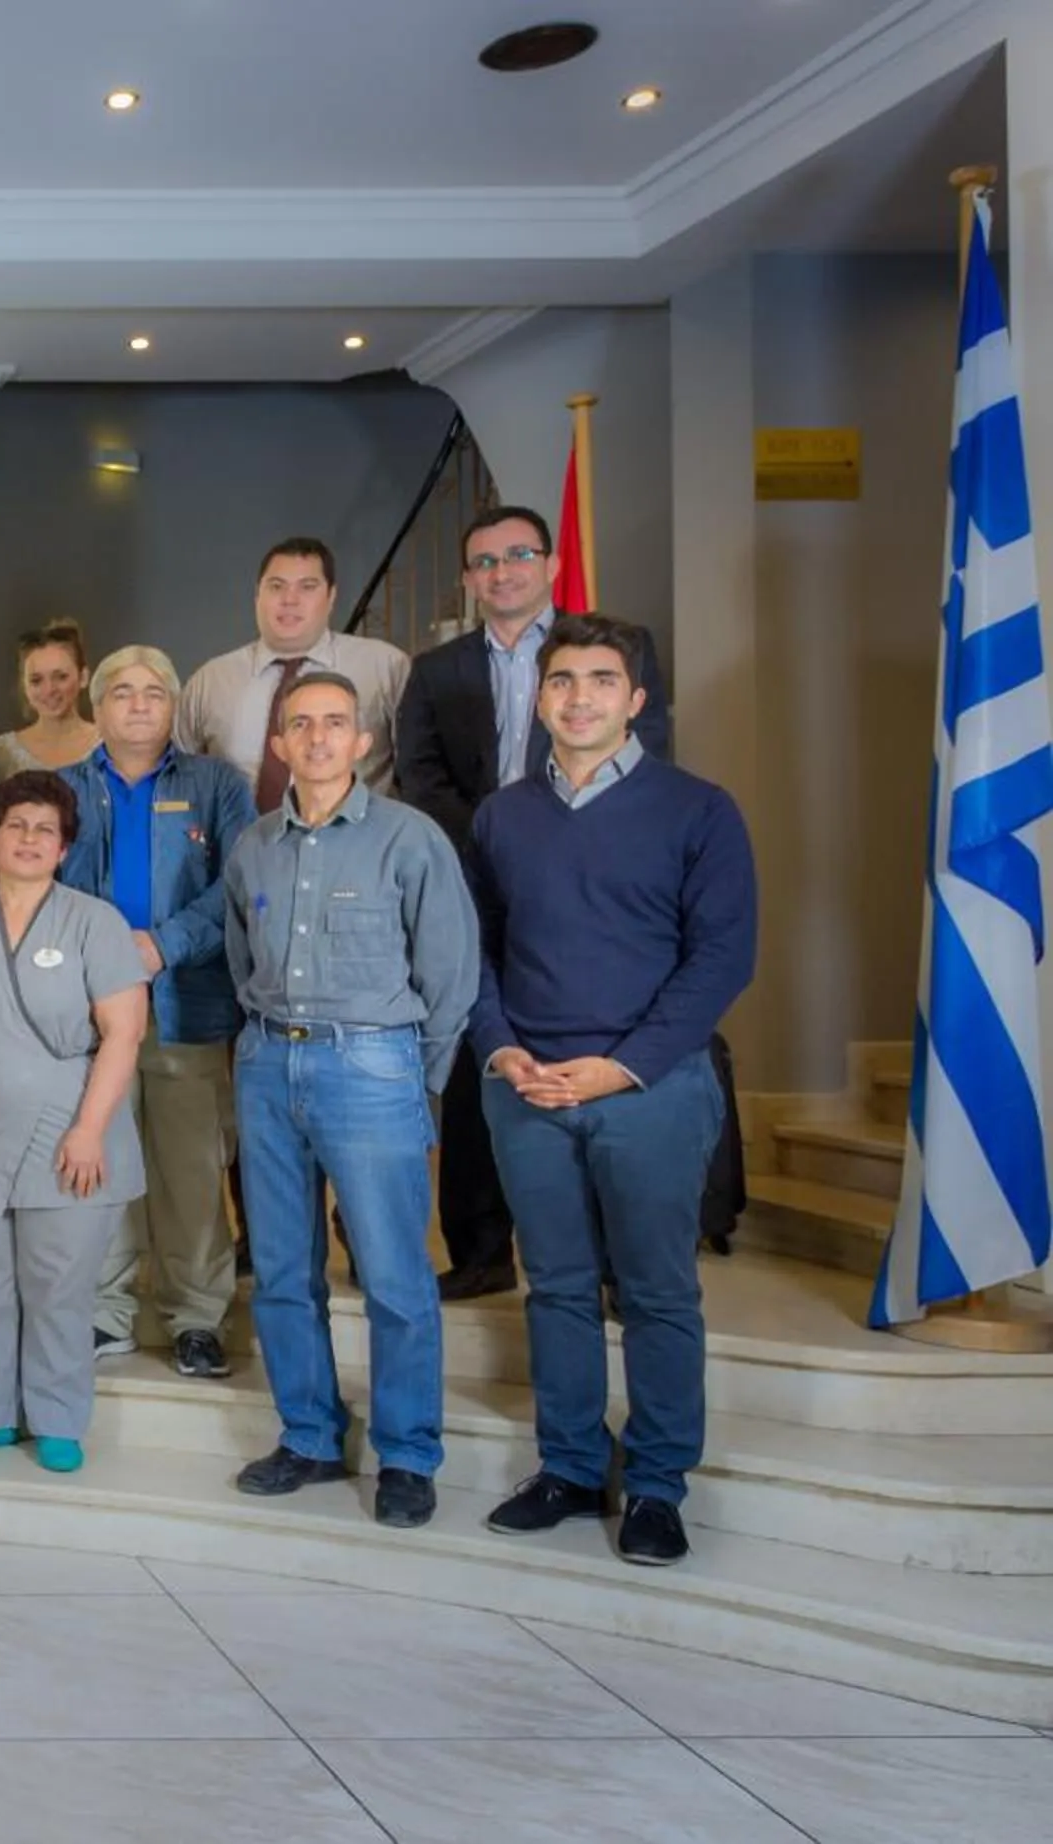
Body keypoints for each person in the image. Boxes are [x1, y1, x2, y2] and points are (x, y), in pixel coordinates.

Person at [472, 615, 756, 1568]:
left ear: (636, 700)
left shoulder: (699, 810)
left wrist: (624, 1066)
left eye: (601, 679)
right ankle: (571, 1467)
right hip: (530, 1091)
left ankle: (661, 1485)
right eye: (561, 679)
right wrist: (505, 1055)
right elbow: (475, 952)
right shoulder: (503, 816)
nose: (579, 696)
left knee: (656, 1291)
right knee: (553, 1286)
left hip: (651, 1090)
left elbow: (723, 958)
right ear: (541, 696)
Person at [395, 507, 676, 1302]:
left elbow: (646, 749)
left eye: (519, 555)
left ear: (549, 564)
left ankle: (617, 1265)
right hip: (481, 879)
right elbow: (422, 776)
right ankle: (482, 1251)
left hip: (598, 874)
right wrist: (499, 837)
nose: (502, 571)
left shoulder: (609, 650)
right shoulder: (438, 668)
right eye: (484, 561)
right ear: (468, 579)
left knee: (599, 1053)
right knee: (483, 1050)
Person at [222, 672, 477, 1529]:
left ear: (364, 742)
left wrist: (414, 1080)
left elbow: (450, 976)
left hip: (371, 1068)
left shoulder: (411, 840)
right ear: (279, 744)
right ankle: (308, 1435)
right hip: (267, 1064)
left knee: (394, 1277)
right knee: (284, 1272)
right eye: (303, 725)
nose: (321, 738)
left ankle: (407, 1453)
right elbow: (237, 958)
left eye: (337, 724)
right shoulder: (255, 844)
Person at [0, 771, 148, 1473]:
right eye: (15, 827)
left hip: (68, 1127)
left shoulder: (95, 922)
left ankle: (56, 1417)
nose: (28, 840)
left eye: (44, 830)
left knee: (58, 1285)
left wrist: (89, 1129)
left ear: (63, 848)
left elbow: (123, 1033)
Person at [57, 645, 257, 1377]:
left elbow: (236, 885)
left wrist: (162, 946)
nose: (138, 705)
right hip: (88, 1016)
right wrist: (103, 961)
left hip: (186, 1005)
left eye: (154, 693)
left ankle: (196, 1317)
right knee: (99, 1166)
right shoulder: (64, 789)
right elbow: (44, 889)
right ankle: (106, 1313)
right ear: (99, 706)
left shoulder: (215, 785)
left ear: (174, 708)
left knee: (190, 1170)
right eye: (122, 693)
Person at [177, 536, 409, 807]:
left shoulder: (385, 667)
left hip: (356, 844)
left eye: (307, 587)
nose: (290, 600)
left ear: (331, 596)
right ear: (257, 595)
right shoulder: (212, 680)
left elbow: (418, 771)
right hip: (239, 845)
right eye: (276, 587)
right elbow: (176, 777)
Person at [0, 622, 101, 779]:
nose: (49, 690)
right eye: (36, 680)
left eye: (61, 677)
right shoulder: (1, 755)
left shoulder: (110, 746)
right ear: (24, 685)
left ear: (83, 677)